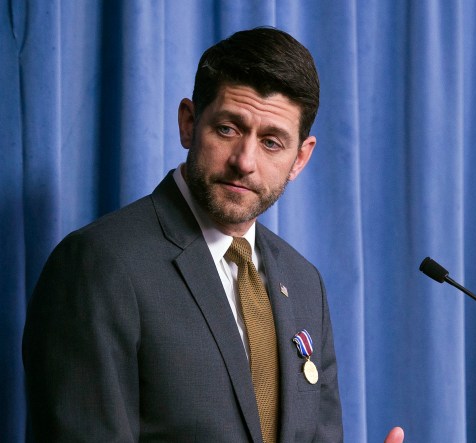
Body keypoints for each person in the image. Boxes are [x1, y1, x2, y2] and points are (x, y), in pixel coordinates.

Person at [23, 27, 403, 443]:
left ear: (301, 157)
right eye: (227, 129)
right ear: (189, 123)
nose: (245, 161)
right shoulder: (98, 265)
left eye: (272, 142)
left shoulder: (304, 281)